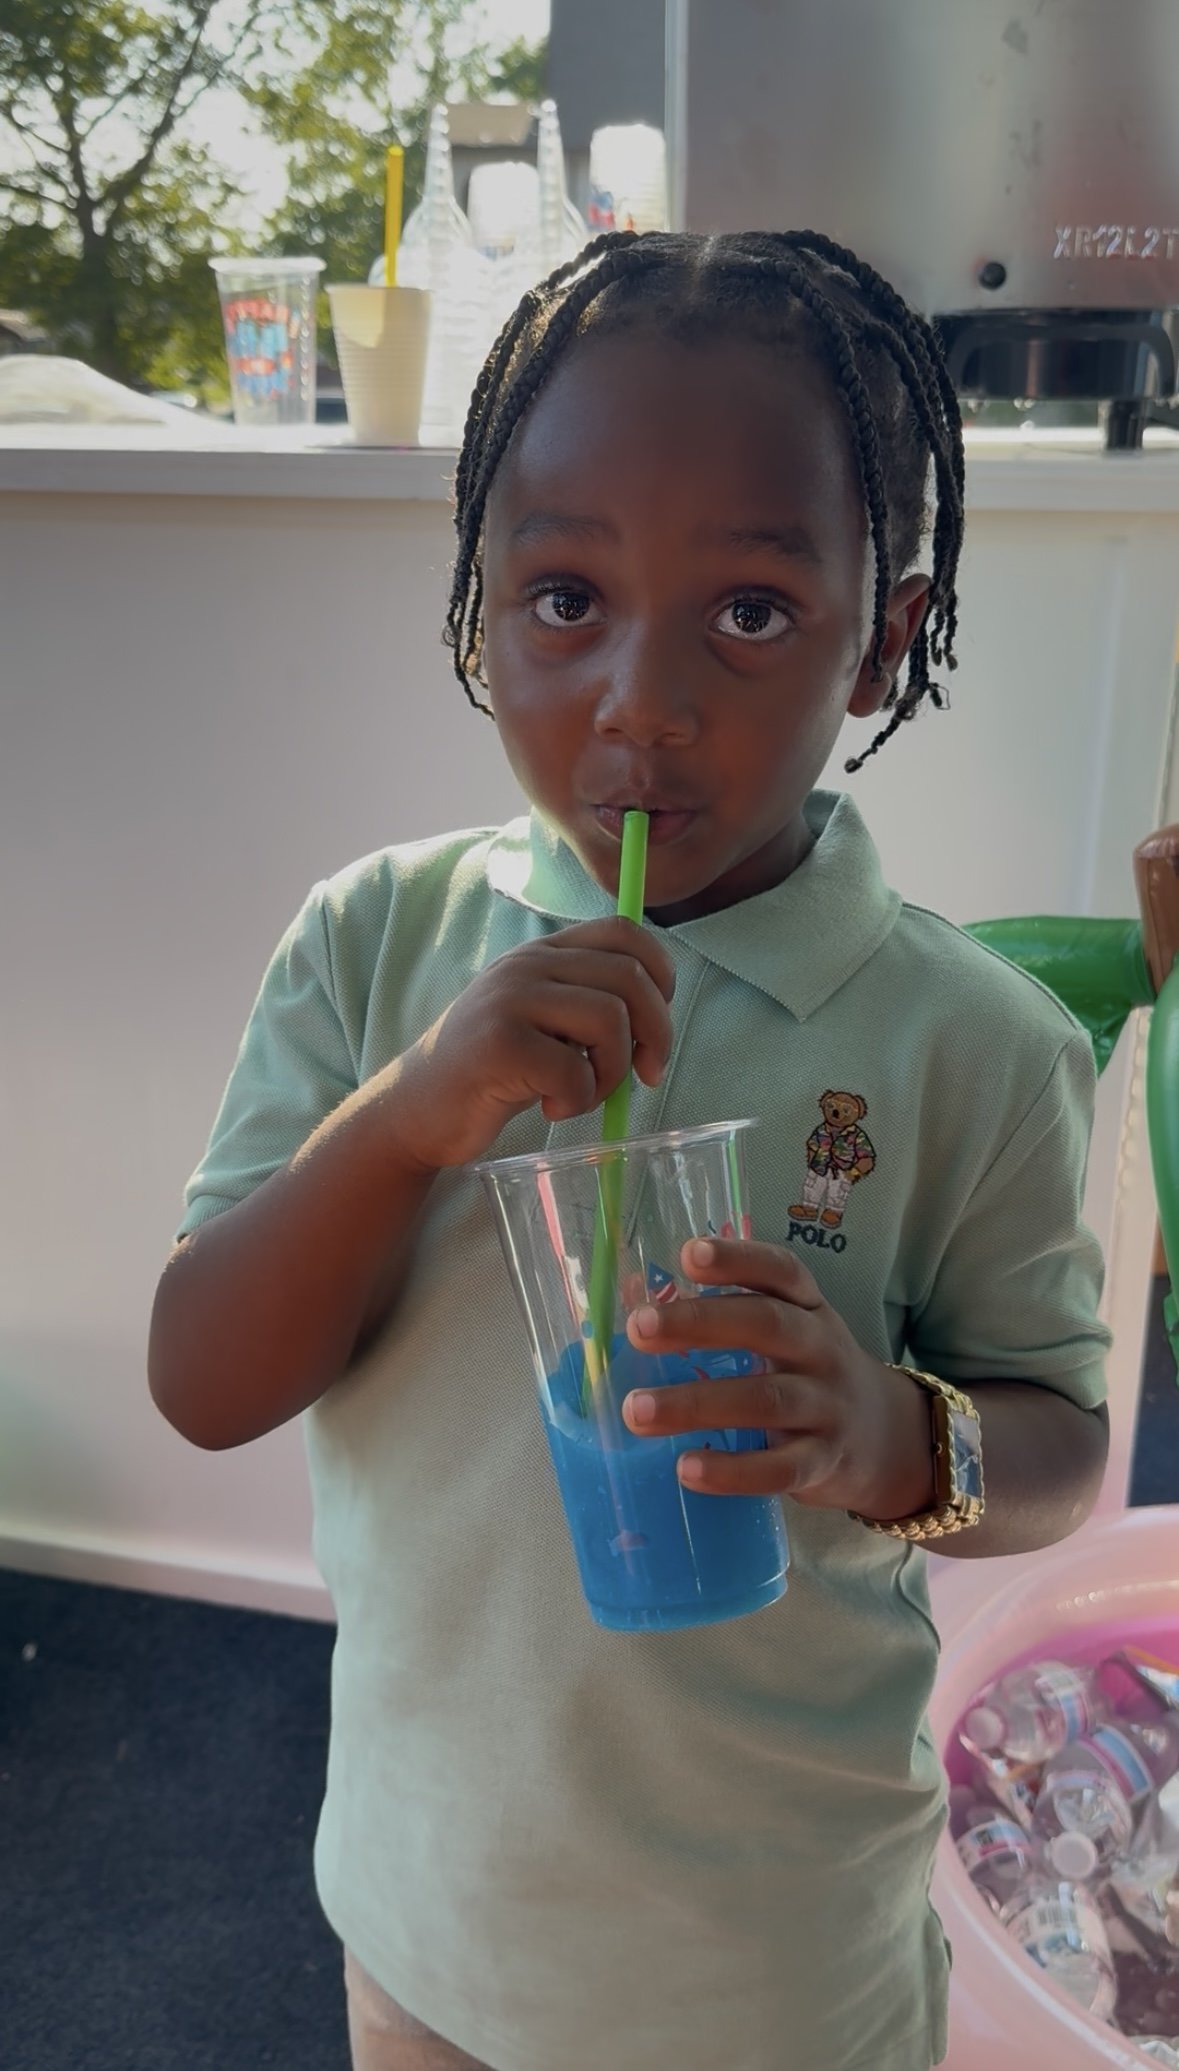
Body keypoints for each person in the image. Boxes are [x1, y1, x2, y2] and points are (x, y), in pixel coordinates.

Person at [148, 229, 1111, 2071]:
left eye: (748, 612)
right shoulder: (371, 948)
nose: (639, 704)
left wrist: (890, 1430)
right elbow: (203, 1380)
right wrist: (412, 1112)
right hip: (433, 1931)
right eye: (565, 599)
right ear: (479, 607)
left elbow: (1060, 1443)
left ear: (880, 637)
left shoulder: (979, 1047)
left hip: (776, 1973)